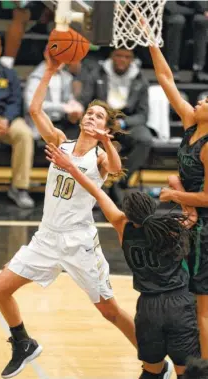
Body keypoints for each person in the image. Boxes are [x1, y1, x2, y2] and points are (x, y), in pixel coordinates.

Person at [0, 49, 143, 379]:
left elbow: (115, 169)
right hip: (47, 237)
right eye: (89, 113)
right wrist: (49, 69)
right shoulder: (62, 142)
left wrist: (107, 142)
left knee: (109, 310)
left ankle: (153, 361)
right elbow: (33, 109)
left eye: (99, 117)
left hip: (78, 241)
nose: (91, 118)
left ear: (107, 128)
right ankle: (23, 343)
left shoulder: (102, 156)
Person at [44, 142, 200, 379]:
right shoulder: (172, 228)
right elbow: (192, 215)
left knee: (152, 372)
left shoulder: (122, 227)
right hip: (178, 303)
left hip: (148, 307)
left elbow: (97, 192)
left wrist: (72, 168)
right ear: (153, 207)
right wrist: (176, 187)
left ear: (128, 214)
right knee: (186, 372)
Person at [142, 19, 208, 359]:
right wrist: (153, 41)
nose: (199, 100)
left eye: (206, 101)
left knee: (202, 305)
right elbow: (166, 79)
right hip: (192, 219)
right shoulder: (190, 124)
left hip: (206, 226)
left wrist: (176, 197)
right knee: (193, 301)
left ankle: (202, 368)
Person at [77, 47, 153, 194]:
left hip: (127, 122)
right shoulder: (97, 74)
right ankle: (96, 185)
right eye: (118, 55)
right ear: (111, 56)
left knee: (145, 139)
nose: (122, 60)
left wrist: (123, 123)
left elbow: (143, 115)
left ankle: (119, 181)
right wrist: (100, 121)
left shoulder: (140, 79)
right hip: (102, 120)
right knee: (90, 137)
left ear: (132, 59)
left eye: (127, 56)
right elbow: (86, 102)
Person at [0, 32, 34, 208]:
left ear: (0, 50)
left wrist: (7, 120)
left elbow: (16, 101)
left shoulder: (9, 73)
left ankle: (19, 188)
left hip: (7, 120)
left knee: (25, 134)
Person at [24, 59, 83, 140]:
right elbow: (31, 105)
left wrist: (75, 107)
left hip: (62, 121)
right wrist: (63, 107)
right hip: (41, 123)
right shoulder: (36, 77)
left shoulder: (66, 77)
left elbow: (69, 99)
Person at [163, 0, 208, 83]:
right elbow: (172, 8)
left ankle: (198, 68)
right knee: (177, 21)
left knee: (201, 20)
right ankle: (172, 68)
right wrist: (196, 11)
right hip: (171, 12)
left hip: (194, 11)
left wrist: (203, 9)